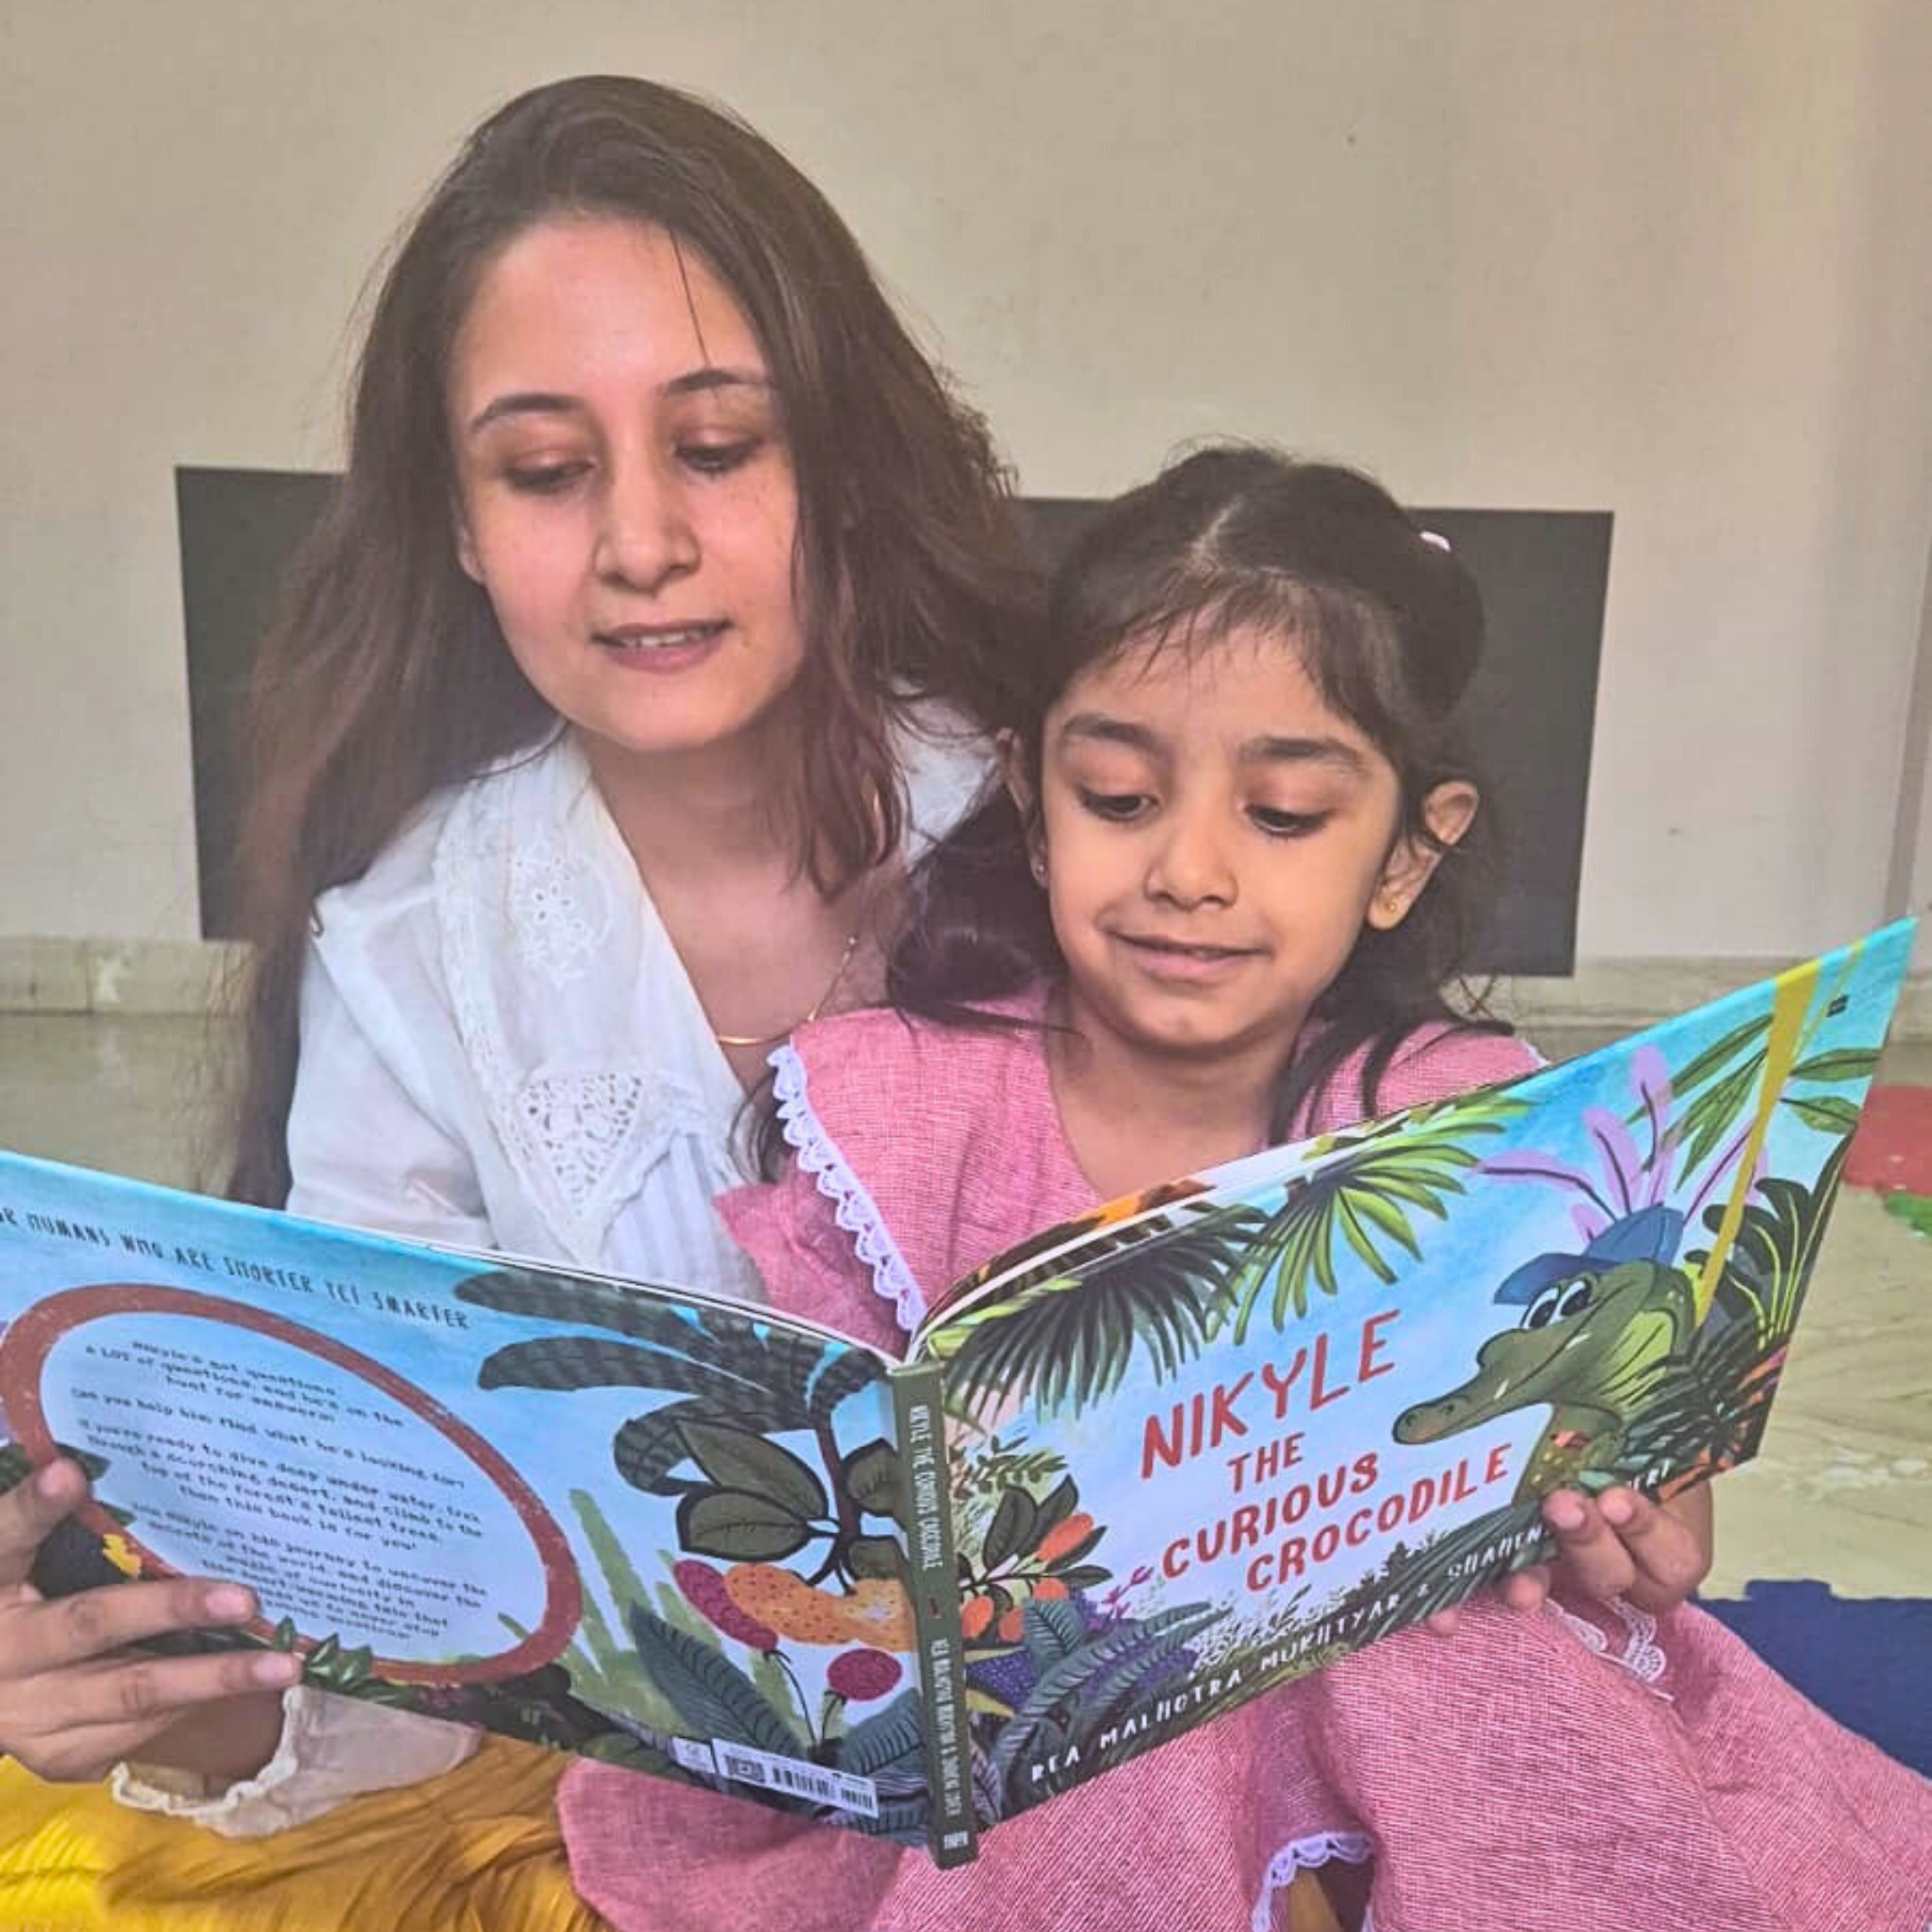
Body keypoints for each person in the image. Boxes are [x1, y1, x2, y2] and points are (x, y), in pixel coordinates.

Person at [557, 449, 1932, 1932]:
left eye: (1282, 815)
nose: (1190, 870)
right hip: (1038, 1734)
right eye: (1120, 796)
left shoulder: (1468, 1120)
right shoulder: (897, 1107)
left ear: (1406, 854)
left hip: (1413, 1701)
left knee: (1483, 1685)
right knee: (1113, 1728)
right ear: (1034, 804)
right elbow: (818, 1479)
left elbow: (1632, 1476)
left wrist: (1642, 1511)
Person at [0, 70, 1030, 1862]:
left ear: (842, 467)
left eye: (719, 447)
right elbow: (410, 1620)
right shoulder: (411, 956)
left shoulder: (1081, 820)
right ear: (463, 526)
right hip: (656, 1830)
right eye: (548, 473)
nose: (642, 545)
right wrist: (185, 1691)